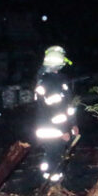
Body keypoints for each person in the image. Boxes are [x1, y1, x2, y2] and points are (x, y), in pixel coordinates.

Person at [33, 45, 78, 183]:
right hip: (54, 130)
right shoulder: (53, 83)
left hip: (50, 128)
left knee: (51, 158)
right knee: (54, 159)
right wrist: (64, 130)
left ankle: (50, 184)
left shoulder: (46, 81)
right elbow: (55, 110)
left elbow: (67, 107)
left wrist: (73, 124)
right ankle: (53, 188)